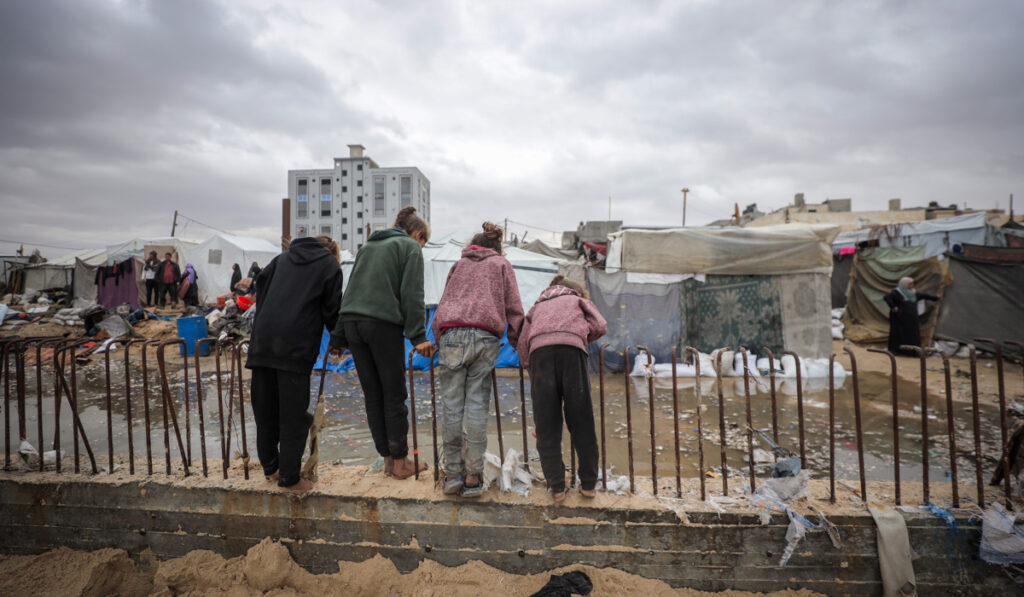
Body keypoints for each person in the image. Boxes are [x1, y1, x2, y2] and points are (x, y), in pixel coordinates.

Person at [329, 206, 433, 480]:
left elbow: (350, 291)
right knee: (394, 394)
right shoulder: (410, 247)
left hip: (353, 324)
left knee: (373, 394)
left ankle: (388, 460)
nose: (422, 246)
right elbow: (412, 293)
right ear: (418, 234)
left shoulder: (367, 248)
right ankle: (401, 464)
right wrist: (419, 337)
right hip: (382, 324)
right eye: (424, 241)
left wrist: (338, 338)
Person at [431, 222, 525, 497]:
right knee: (476, 407)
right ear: (497, 247)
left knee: (451, 407)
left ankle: (452, 476)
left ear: (473, 246)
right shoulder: (501, 266)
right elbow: (514, 307)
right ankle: (473, 477)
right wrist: (518, 341)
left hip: (452, 336)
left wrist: (440, 339)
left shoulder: (458, 266)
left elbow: (445, 301)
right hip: (485, 338)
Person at [246, 235, 344, 493]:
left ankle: (271, 468)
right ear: (333, 253)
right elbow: (332, 309)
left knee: (265, 409)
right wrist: (338, 340)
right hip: (294, 345)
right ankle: (289, 478)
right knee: (293, 415)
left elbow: (261, 292)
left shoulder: (280, 260)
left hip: (263, 341)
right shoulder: (329, 267)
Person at [519, 275, 606, 502]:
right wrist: (579, 337)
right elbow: (600, 325)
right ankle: (588, 485)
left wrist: (533, 370)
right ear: (574, 290)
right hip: (571, 353)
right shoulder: (577, 300)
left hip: (540, 356)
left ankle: (557, 488)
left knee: (547, 424)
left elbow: (522, 344)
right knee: (581, 419)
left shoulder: (537, 307)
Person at [883, 276, 939, 355]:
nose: (912, 285)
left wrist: (936, 297)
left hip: (911, 319)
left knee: (912, 335)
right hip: (899, 319)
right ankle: (898, 351)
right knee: (899, 334)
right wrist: (893, 307)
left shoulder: (913, 293)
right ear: (904, 284)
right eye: (910, 284)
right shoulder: (896, 292)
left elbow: (924, 296)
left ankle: (911, 352)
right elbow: (887, 297)